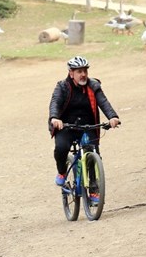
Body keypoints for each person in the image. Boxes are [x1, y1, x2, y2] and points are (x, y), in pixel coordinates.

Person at [48, 56, 122, 203]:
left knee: (93, 153)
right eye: (79, 71)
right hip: (66, 126)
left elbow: (103, 102)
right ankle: (62, 171)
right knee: (61, 148)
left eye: (85, 71)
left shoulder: (93, 85)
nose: (83, 75)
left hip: (87, 125)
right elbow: (55, 103)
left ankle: (94, 189)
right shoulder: (62, 86)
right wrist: (54, 118)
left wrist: (112, 116)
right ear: (71, 73)